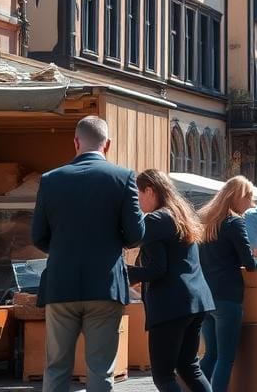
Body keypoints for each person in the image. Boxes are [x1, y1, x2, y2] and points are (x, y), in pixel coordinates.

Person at [31, 116, 144, 392]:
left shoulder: (50, 180)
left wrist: (63, 251)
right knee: (101, 368)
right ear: (107, 145)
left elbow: (38, 236)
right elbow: (136, 235)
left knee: (56, 367)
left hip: (61, 285)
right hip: (104, 286)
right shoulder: (123, 177)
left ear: (75, 142)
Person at [129, 170, 215, 392]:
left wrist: (123, 272)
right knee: (189, 367)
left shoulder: (155, 220)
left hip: (171, 306)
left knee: (163, 376)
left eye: (137, 195)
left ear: (149, 190)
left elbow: (156, 270)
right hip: (196, 301)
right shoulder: (179, 215)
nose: (136, 202)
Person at [198, 177, 257, 392]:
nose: (251, 204)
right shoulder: (234, 222)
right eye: (250, 198)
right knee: (226, 358)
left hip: (205, 297)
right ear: (241, 197)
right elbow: (249, 264)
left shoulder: (205, 220)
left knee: (211, 354)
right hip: (227, 297)